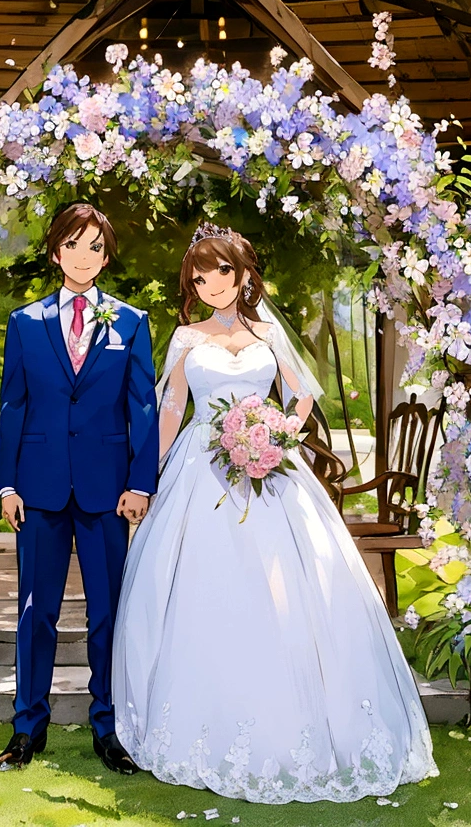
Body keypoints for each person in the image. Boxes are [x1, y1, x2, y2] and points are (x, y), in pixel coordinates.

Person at [112, 223, 438, 803]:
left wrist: (277, 431)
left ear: (242, 276)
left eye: (221, 273)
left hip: (268, 465)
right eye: (200, 277)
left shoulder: (267, 334)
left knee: (291, 585)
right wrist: (147, 480)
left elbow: (303, 393)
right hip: (201, 469)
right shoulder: (186, 338)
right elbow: (170, 412)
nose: (211, 285)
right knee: (202, 585)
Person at [0, 202, 158, 774]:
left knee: (107, 613)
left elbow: (143, 406)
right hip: (37, 489)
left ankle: (110, 730)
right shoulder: (25, 323)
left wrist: (141, 483)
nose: (84, 255)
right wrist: (7, 483)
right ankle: (26, 730)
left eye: (95, 246)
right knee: (34, 612)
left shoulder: (130, 322)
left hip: (108, 491)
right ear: (56, 251)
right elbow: (13, 404)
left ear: (106, 255)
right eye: (73, 244)